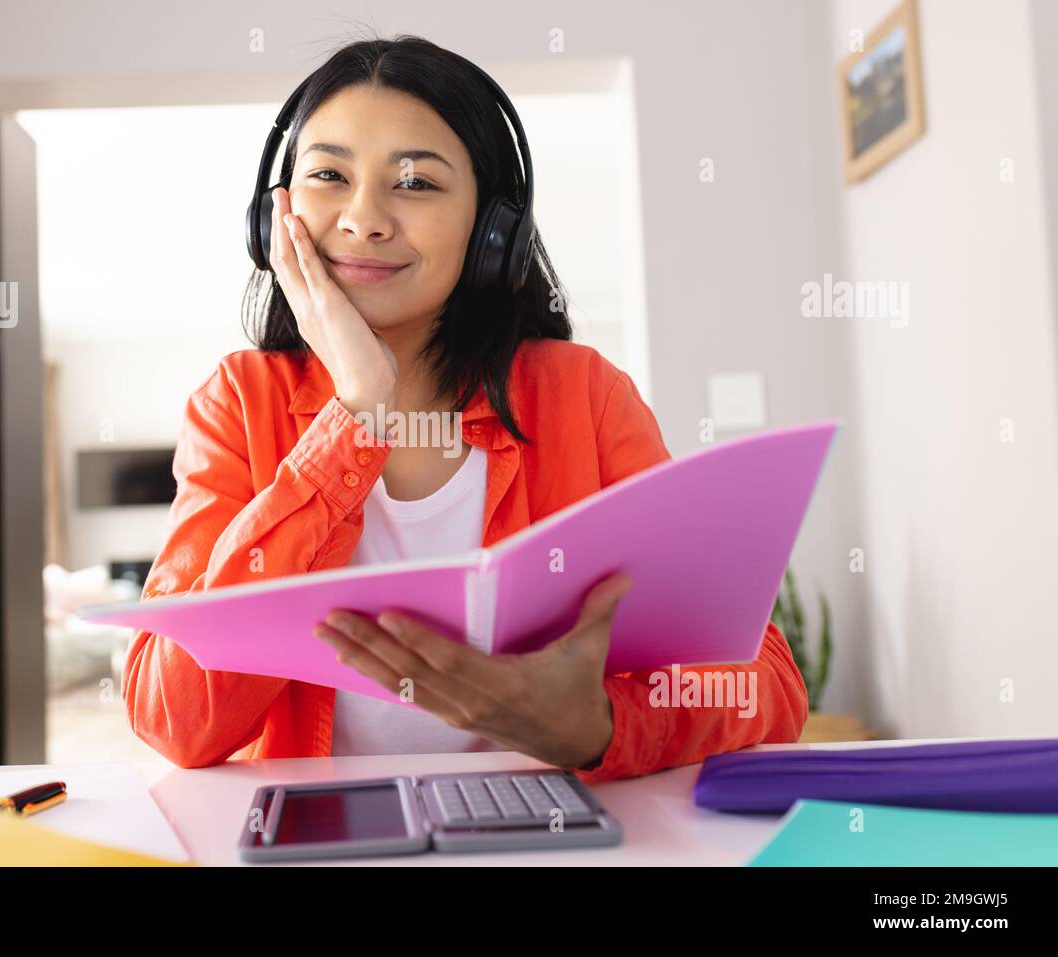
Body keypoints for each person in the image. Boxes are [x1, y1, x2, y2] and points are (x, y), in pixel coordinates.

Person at [123, 34, 807, 782]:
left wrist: (601, 726)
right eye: (327, 175)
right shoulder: (239, 403)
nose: (364, 218)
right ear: (276, 215)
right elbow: (172, 715)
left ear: (494, 234)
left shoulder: (584, 397)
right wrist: (357, 412)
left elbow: (762, 680)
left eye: (415, 183)